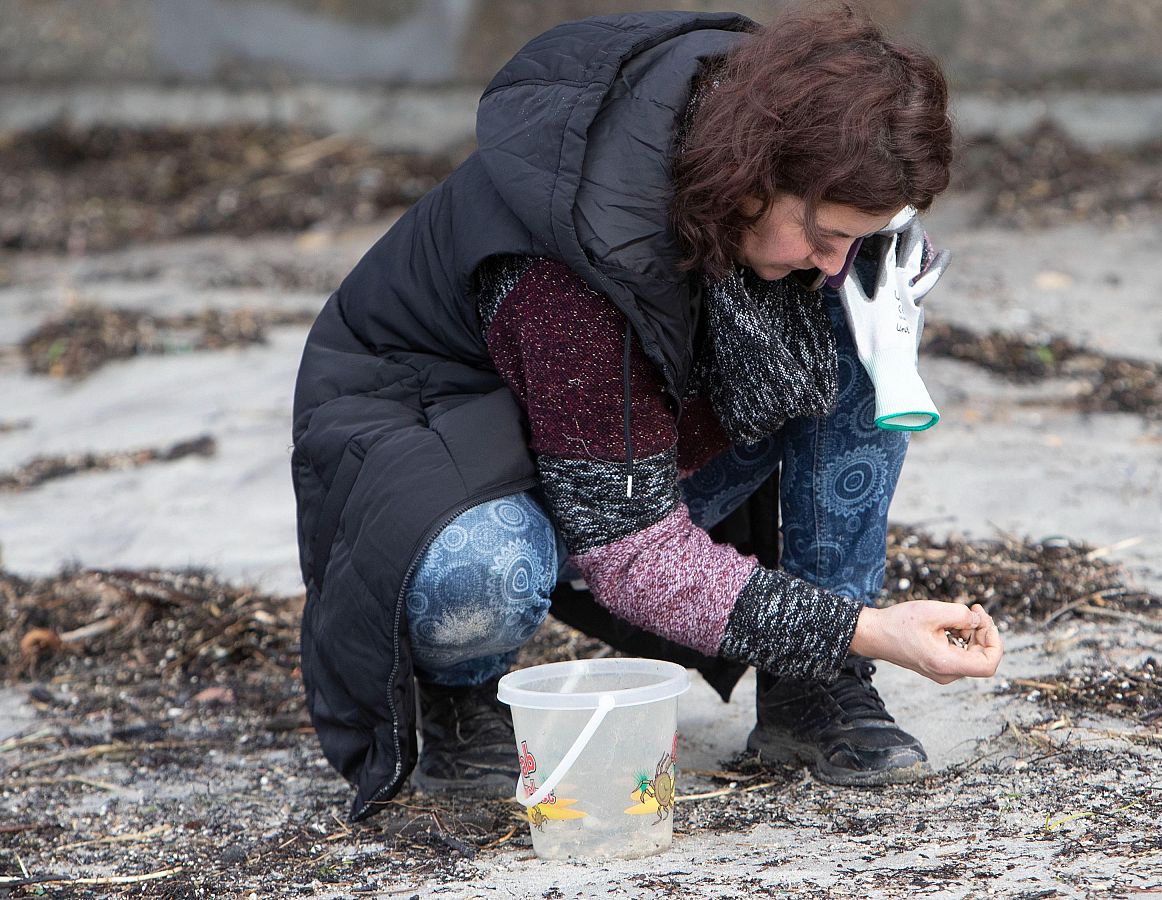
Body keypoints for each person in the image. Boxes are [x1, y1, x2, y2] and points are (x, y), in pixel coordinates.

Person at [290, 3, 1003, 821]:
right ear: (752, 180)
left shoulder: (754, 149)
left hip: (606, 440)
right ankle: (459, 693)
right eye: (826, 234)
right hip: (438, 456)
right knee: (482, 571)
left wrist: (836, 629)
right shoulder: (575, 266)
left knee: (870, 320)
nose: (834, 261)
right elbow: (633, 556)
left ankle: (812, 687)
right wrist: (869, 628)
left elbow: (832, 274)